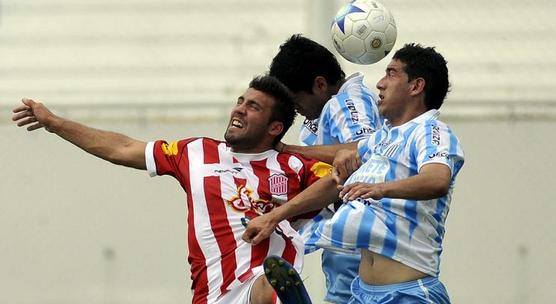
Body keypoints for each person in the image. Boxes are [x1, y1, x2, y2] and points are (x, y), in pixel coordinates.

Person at [12, 75, 337, 304]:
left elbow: (334, 182)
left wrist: (276, 216)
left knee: (271, 285)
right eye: (240, 101)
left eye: (253, 107)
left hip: (259, 283)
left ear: (275, 128)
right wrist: (55, 122)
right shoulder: (194, 152)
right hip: (211, 292)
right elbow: (122, 148)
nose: (239, 108)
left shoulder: (294, 165)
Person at [243, 43, 465, 303]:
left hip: (408, 292)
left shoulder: (432, 130)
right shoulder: (382, 139)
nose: (380, 83)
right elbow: (333, 181)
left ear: (416, 86)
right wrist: (276, 216)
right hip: (363, 293)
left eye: (391, 74)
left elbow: (437, 179)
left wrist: (379, 189)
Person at [268, 34, 383, 304]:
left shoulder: (344, 103)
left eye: (296, 101)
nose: (296, 110)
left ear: (320, 84)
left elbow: (364, 151)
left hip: (358, 239)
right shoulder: (325, 112)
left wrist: (289, 149)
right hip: (344, 236)